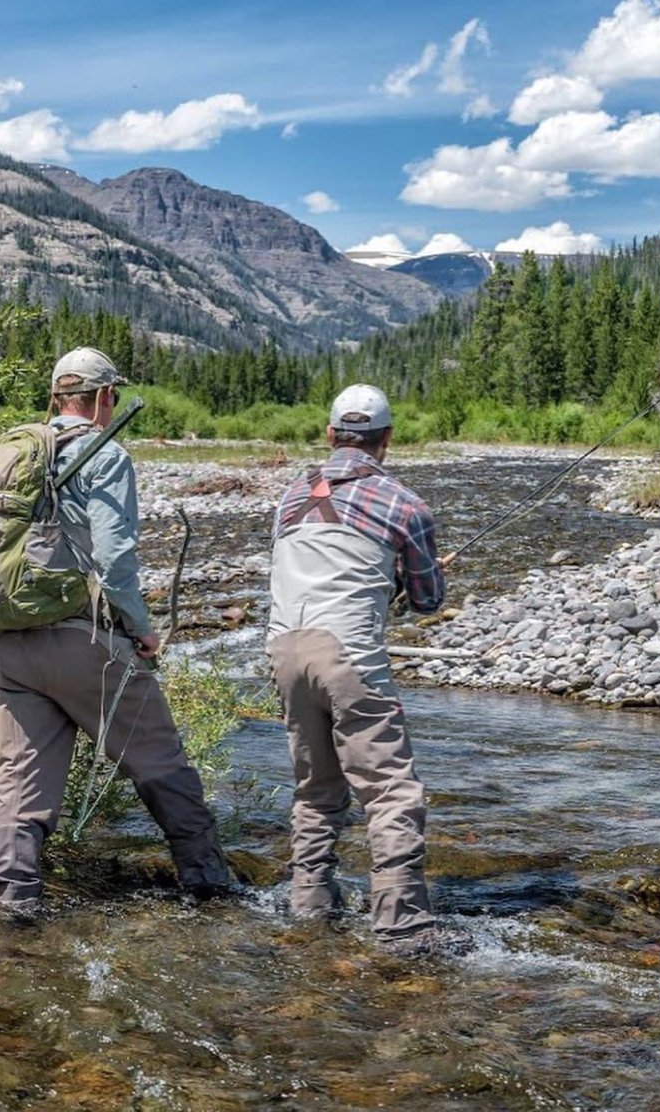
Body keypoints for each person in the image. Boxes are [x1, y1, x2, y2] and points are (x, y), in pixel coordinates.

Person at [0, 346, 231, 919]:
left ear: (56, 397)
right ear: (102, 398)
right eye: (112, 396)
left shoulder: (10, 455)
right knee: (162, 764)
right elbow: (115, 561)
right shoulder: (106, 453)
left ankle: (13, 909)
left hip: (7, 644)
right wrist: (141, 629)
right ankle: (211, 890)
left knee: (19, 786)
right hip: (84, 642)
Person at [267, 383, 448, 952]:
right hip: (348, 657)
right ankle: (402, 924)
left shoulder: (290, 497)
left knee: (315, 788)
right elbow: (428, 600)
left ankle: (309, 902)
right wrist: (407, 576)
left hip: (283, 652)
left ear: (330, 435)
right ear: (386, 439)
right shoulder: (405, 505)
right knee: (390, 791)